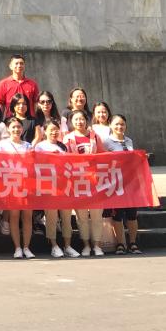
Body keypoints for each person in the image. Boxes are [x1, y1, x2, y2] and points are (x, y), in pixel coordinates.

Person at [34, 121, 80, 258]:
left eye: (56, 129)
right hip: (48, 186)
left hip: (64, 185)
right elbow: (37, 164)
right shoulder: (40, 146)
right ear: (45, 131)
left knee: (66, 218)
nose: (54, 132)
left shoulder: (63, 146)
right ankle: (54, 245)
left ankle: (67, 246)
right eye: (51, 129)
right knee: (51, 217)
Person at [63, 110, 105, 257]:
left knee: (96, 215)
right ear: (71, 122)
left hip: (95, 181)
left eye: (82, 119)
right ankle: (86, 245)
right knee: (81, 217)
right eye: (76, 119)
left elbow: (103, 154)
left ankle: (97, 245)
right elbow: (63, 159)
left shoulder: (94, 136)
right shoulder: (68, 138)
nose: (79, 122)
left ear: (86, 120)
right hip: (77, 181)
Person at [0, 118, 35, 259]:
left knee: (27, 217)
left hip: (26, 184)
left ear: (22, 129)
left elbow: (32, 165)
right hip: (11, 185)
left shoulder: (28, 146)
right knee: (14, 216)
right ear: (8, 129)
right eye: (13, 127)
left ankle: (26, 247)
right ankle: (17, 247)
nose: (16, 130)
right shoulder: (2, 145)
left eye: (18, 127)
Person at [103, 114, 142, 255]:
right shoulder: (106, 142)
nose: (119, 127)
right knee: (117, 214)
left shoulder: (129, 140)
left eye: (122, 124)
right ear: (110, 125)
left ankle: (133, 243)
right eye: (117, 124)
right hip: (115, 183)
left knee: (132, 214)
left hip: (130, 182)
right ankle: (120, 243)